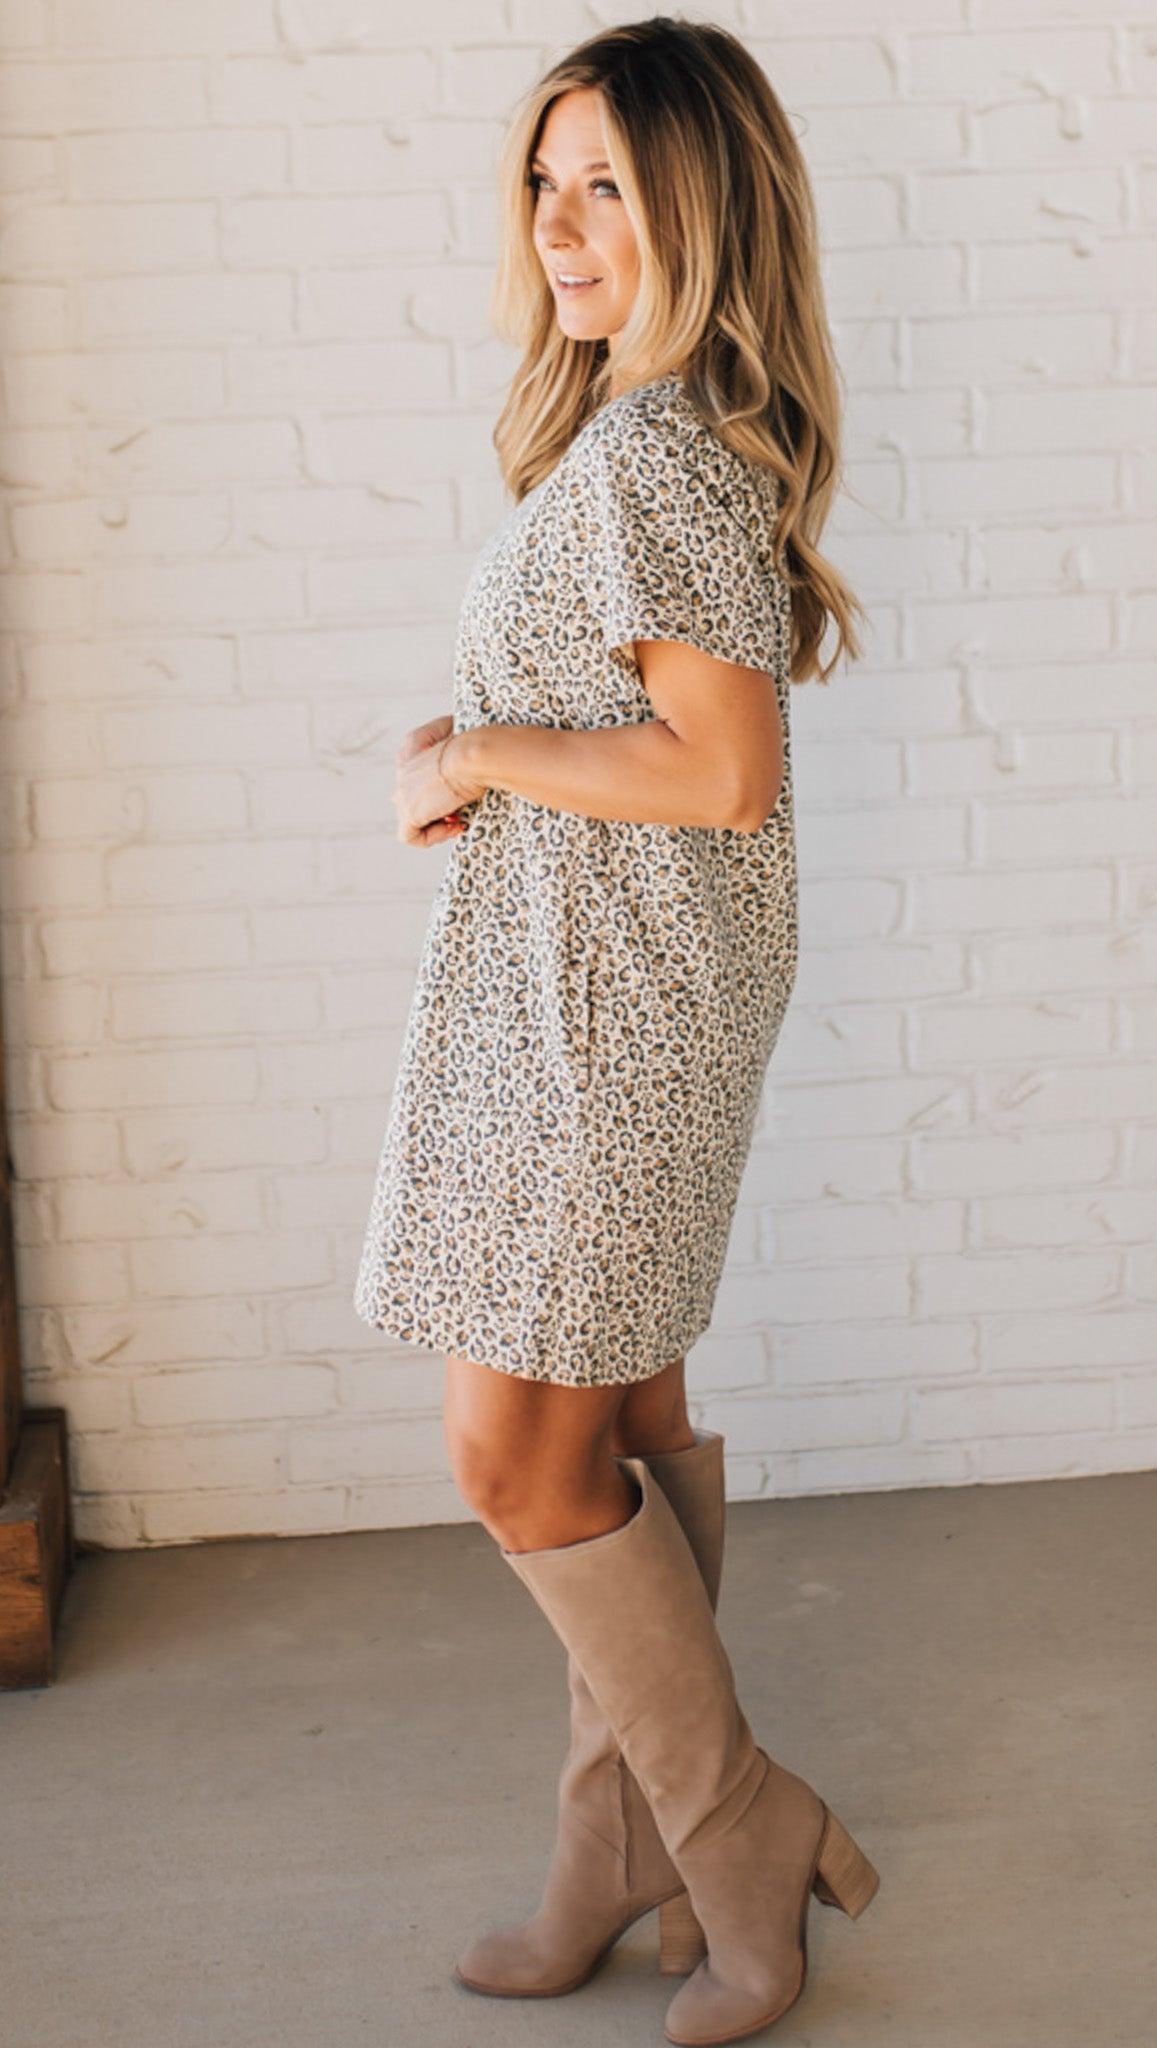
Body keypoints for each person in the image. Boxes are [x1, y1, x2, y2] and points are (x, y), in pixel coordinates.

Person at [352, 18, 878, 2043]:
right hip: (624, 992)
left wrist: (470, 743)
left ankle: (736, 1821)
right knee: (621, 1424)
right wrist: (500, 766)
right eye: (545, 183)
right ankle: (619, 1848)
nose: (563, 229)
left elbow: (716, 768)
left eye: (609, 189)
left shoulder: (655, 453)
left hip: (614, 1023)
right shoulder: (641, 431)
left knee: (516, 1453)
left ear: (701, 211)